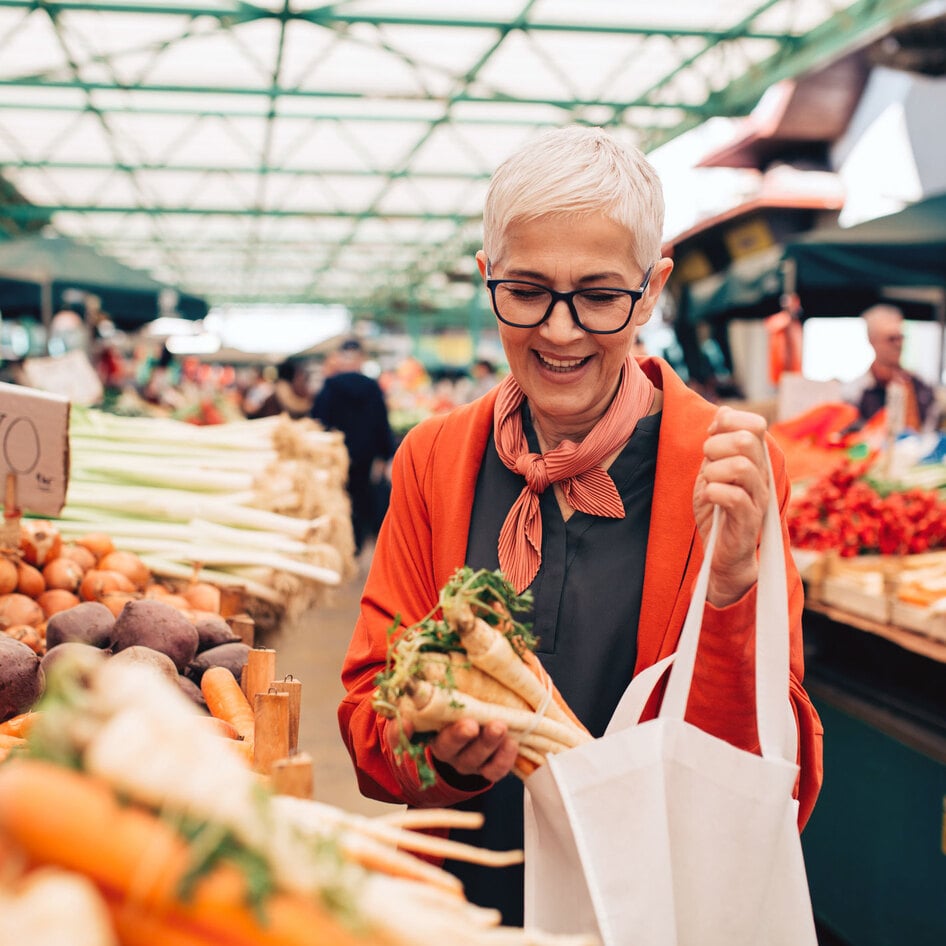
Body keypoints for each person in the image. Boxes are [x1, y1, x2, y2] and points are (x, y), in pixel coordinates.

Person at [337, 125, 824, 926]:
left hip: (655, 915)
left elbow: (777, 776)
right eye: (526, 292)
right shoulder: (433, 460)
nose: (560, 332)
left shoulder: (726, 467)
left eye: (600, 297)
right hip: (468, 913)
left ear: (653, 287)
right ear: (488, 276)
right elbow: (366, 720)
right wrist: (436, 752)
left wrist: (734, 592)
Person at [312, 339, 395, 554]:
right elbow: (381, 422)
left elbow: (318, 421)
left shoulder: (330, 386)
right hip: (365, 456)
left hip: (335, 454)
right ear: (361, 359)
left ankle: (341, 546)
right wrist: (385, 453)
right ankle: (356, 545)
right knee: (361, 498)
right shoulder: (372, 387)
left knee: (338, 498)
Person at [841, 304, 936, 431]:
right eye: (891, 339)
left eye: (901, 338)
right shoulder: (854, 393)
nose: (899, 345)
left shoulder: (922, 386)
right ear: (872, 340)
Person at [246, 357, 313, 420]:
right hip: (270, 421)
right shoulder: (282, 386)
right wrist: (308, 404)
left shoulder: (281, 385)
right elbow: (292, 405)